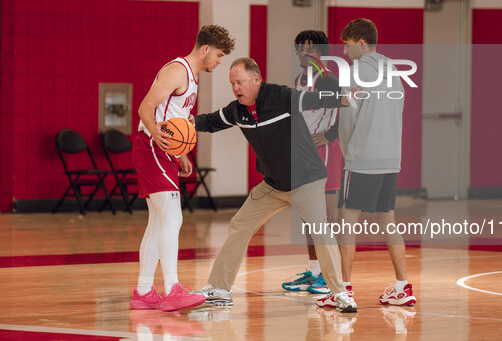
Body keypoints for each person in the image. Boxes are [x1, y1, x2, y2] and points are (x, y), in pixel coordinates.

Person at [189, 57, 358, 313]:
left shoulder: (279, 96)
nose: (236, 88)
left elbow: (312, 99)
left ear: (256, 79)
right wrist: (189, 123)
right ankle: (219, 288)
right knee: (239, 225)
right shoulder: (238, 111)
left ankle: (340, 294)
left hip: (306, 180)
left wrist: (342, 99)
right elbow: (212, 121)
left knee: (321, 232)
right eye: (232, 83)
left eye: (240, 82)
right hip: (273, 185)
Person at [130, 25, 235, 311]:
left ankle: (143, 291)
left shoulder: (193, 78)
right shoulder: (177, 70)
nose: (220, 61)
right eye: (220, 55)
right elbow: (145, 107)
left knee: (158, 222)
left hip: (165, 151)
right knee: (173, 219)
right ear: (205, 49)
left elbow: (176, 118)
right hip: (152, 146)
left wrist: (183, 152)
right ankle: (173, 288)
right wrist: (157, 135)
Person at [317, 18, 417, 308]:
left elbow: (347, 118)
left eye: (347, 44)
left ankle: (342, 291)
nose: (345, 51)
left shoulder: (355, 72)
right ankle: (402, 287)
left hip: (363, 159)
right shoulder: (393, 70)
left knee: (347, 223)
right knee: (388, 220)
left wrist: (350, 153)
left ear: (361, 42)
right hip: (390, 158)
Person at [282, 30, 343, 295]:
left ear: (323, 53)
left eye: (311, 49)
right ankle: (315, 272)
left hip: (324, 153)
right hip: (303, 152)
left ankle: (334, 275)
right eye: (300, 48)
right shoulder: (298, 79)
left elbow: (346, 106)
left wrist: (328, 135)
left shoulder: (327, 79)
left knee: (327, 217)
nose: (304, 53)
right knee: (308, 216)